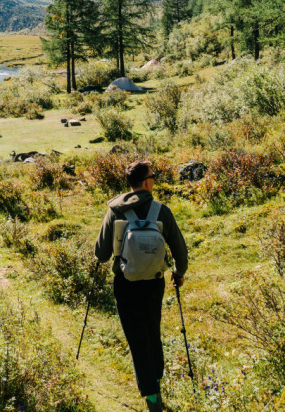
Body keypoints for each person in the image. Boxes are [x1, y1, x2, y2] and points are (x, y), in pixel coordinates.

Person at [94, 159, 188, 412]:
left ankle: (153, 398)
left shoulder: (115, 211)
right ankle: (156, 380)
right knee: (152, 332)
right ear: (146, 182)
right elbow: (180, 249)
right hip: (155, 283)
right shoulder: (162, 211)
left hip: (126, 283)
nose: (154, 179)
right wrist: (178, 272)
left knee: (137, 338)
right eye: (153, 176)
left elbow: (101, 254)